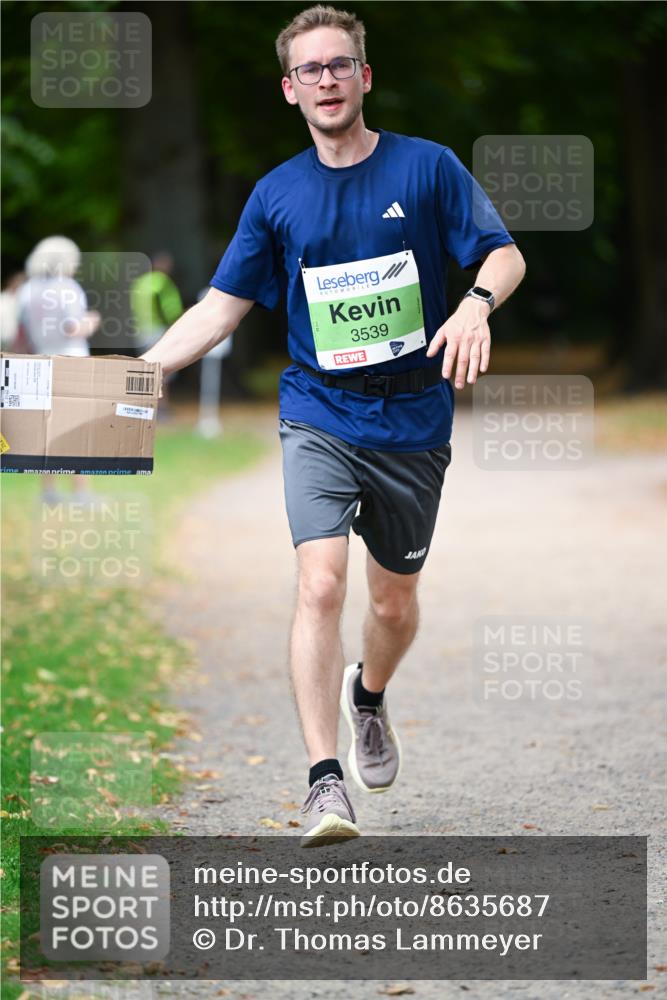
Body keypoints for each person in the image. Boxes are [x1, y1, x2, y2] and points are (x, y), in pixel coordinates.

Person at [141, 4, 526, 847]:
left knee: (391, 604)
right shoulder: (275, 195)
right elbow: (220, 308)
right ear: (289, 89)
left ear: (364, 76)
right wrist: (146, 371)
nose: (326, 79)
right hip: (317, 409)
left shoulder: (426, 169)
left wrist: (473, 306)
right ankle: (323, 783)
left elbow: (504, 253)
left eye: (339, 65)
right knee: (319, 584)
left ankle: (370, 697)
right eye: (309, 70)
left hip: (413, 416)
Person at [16, 236, 101, 504]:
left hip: (39, 364)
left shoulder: (27, 290)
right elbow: (74, 328)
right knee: (77, 429)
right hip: (72, 363)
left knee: (47, 430)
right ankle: (81, 492)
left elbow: (21, 334)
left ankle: (49, 491)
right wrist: (93, 320)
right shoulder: (67, 288)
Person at [130, 252, 183, 416]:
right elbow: (171, 309)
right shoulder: (162, 283)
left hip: (141, 331)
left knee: (146, 368)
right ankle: (162, 408)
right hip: (158, 330)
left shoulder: (140, 283)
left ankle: (145, 406)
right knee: (162, 369)